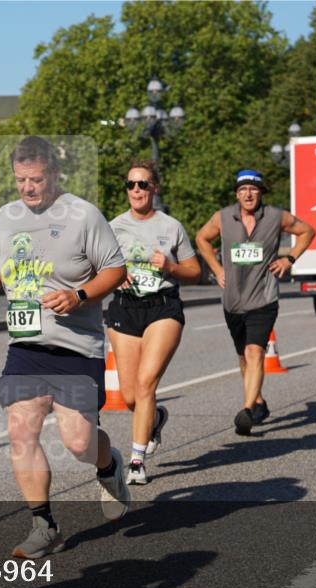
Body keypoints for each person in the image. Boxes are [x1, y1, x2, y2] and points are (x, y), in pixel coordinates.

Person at [0, 136, 129, 558]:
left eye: (36, 179)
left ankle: (109, 467)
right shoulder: (7, 216)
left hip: (77, 346)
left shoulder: (83, 215)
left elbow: (115, 269)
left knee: (78, 443)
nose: (28, 188)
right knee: (21, 430)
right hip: (27, 346)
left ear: (54, 175)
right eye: (21, 180)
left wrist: (80, 296)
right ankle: (44, 525)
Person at [195, 170, 316, 435]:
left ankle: (247, 410)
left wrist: (289, 259)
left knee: (255, 352)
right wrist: (216, 268)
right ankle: (258, 401)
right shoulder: (223, 217)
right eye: (243, 190)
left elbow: (308, 231)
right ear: (237, 194)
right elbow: (201, 238)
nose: (248, 194)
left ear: (261, 192)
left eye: (253, 189)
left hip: (264, 297)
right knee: (243, 356)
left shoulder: (275, 216)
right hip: (233, 300)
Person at [108, 159, 201, 484]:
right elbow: (94, 268)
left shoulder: (171, 226)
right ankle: (156, 417)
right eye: (131, 185)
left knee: (147, 383)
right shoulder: (113, 226)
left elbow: (194, 271)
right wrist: (114, 277)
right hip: (124, 308)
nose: (136, 190)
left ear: (154, 188)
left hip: (162, 307)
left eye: (143, 184)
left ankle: (136, 461)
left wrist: (171, 267)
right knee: (131, 395)